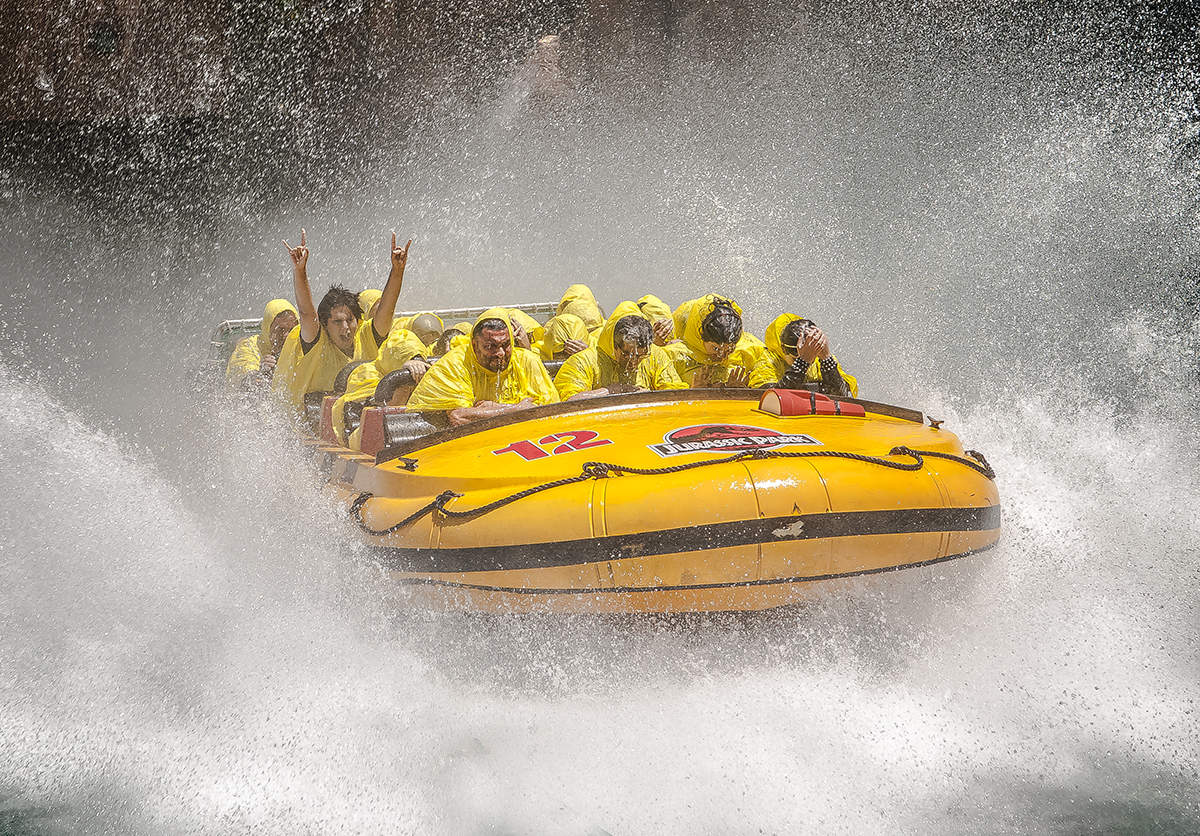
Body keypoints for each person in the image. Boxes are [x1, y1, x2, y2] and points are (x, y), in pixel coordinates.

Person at [273, 230, 411, 414]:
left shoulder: (367, 336)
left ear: (358, 320)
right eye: (337, 322)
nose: (345, 328)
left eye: (349, 320)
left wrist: (397, 270)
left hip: (362, 417)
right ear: (324, 325)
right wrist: (300, 271)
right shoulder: (317, 343)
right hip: (316, 425)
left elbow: (388, 309)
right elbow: (306, 313)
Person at [406, 308, 558, 426]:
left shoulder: (528, 361)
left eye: (505, 345)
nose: (500, 353)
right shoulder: (455, 364)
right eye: (490, 346)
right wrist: (515, 409)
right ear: (474, 344)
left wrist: (495, 407)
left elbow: (552, 411)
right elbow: (458, 417)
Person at [554, 301, 687, 399]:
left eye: (641, 356)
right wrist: (608, 391)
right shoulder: (583, 361)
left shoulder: (656, 355)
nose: (633, 363)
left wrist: (648, 395)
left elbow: (675, 394)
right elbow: (569, 402)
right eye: (627, 355)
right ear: (614, 346)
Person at [331, 327, 430, 443]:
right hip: (366, 441)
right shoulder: (365, 374)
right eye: (410, 357)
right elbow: (366, 431)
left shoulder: (428, 372)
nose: (417, 368)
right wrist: (401, 385)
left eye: (418, 357)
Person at [663, 295, 764, 387]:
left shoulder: (750, 350)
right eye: (716, 348)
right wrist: (692, 392)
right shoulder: (674, 355)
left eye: (729, 350)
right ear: (701, 339)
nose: (722, 356)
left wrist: (738, 391)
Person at [750, 314, 858, 397]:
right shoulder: (767, 361)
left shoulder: (819, 356)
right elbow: (769, 399)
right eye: (795, 359)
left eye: (811, 357)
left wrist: (826, 359)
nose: (810, 362)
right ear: (783, 350)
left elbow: (842, 396)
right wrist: (802, 363)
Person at [225, 298, 299, 389]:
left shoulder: (301, 348)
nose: (286, 335)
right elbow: (242, 385)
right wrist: (262, 374)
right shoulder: (249, 347)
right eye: (280, 330)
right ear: (267, 329)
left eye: (292, 330)